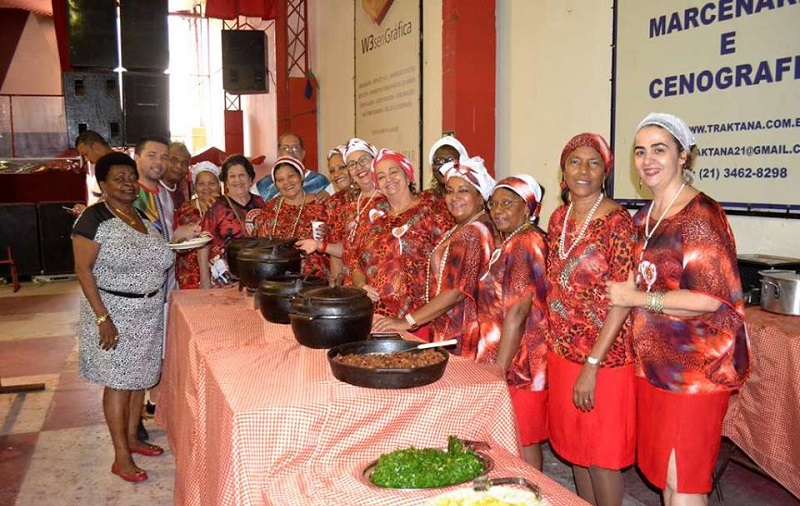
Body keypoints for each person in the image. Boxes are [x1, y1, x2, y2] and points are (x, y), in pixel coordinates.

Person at [606, 113, 749, 506]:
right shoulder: (645, 217)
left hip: (694, 375)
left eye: (659, 149)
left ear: (683, 156)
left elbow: (707, 299)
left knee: (683, 481)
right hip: (653, 371)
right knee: (667, 480)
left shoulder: (700, 214)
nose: (647, 159)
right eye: (640, 151)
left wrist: (636, 298)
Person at [72, 152, 177, 482]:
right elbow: (83, 270)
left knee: (137, 382)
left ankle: (133, 438)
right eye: (119, 178)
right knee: (118, 384)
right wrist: (102, 319)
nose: (128, 183)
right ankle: (120, 456)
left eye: (131, 176)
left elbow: (157, 254)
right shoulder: (93, 219)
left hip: (147, 314)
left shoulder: (140, 215)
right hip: (114, 313)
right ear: (103, 185)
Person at [546, 133, 636, 506]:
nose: (583, 170)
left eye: (594, 163)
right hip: (561, 353)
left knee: (602, 457)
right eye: (575, 162)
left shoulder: (618, 221)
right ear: (563, 172)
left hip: (604, 358)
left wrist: (592, 364)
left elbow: (624, 300)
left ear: (605, 173)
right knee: (574, 452)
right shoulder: (556, 218)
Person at [372, 155, 495, 349]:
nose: (455, 197)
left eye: (463, 190)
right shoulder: (462, 227)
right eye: (449, 191)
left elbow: (455, 292)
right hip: (450, 328)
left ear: (481, 196)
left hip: (464, 334)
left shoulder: (473, 232)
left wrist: (407, 321)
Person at [477, 174, 549, 468]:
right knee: (517, 438)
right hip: (509, 359)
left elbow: (518, 313)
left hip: (520, 365)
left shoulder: (524, 243)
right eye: (494, 203)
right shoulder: (510, 242)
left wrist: (499, 370)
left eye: (508, 203)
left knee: (524, 440)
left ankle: (532, 494)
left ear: (528, 206)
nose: (498, 210)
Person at [352, 148, 453, 322]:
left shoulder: (432, 210)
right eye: (381, 176)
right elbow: (357, 263)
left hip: (419, 318)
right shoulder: (373, 215)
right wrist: (361, 285)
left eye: (393, 172)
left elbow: (450, 267)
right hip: (377, 318)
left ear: (408, 176)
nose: (388, 179)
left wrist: (410, 321)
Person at [296, 138, 385, 284]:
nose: (337, 174)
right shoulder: (343, 204)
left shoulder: (388, 198)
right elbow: (345, 250)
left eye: (342, 167)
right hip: (353, 285)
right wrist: (334, 285)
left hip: (381, 284)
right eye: (332, 171)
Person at [252, 157, 329, 277]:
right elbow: (258, 243)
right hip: (276, 278)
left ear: (301, 176)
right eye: (280, 179)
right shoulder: (270, 207)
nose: (286, 182)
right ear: (276, 184)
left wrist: (326, 233)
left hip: (313, 279)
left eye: (291, 176)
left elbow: (336, 243)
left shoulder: (321, 205)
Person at [202, 154, 266, 285]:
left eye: (242, 175)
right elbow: (203, 243)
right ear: (225, 182)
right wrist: (204, 278)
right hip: (224, 277)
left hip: (257, 273)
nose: (238, 180)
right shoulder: (216, 206)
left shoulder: (260, 203)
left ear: (250, 178)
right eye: (232, 176)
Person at [173, 162, 221, 289]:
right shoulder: (184, 209)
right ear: (195, 187)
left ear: (219, 185)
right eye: (201, 184)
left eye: (211, 183)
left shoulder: (226, 207)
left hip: (222, 274)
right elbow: (175, 240)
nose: (207, 188)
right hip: (189, 275)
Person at [254, 132, 330, 200]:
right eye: (285, 148)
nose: (290, 152)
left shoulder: (320, 181)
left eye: (295, 148)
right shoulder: (263, 184)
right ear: (278, 153)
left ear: (303, 153)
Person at [162, 141, 192, 210]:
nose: (179, 166)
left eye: (185, 163)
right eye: (174, 160)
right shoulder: (149, 192)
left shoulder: (180, 196)